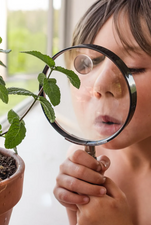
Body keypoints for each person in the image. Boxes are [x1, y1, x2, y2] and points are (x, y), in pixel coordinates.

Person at [53, 0, 151, 224]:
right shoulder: (83, 155)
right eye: (89, 63)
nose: (99, 85)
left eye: (133, 66)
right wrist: (77, 212)